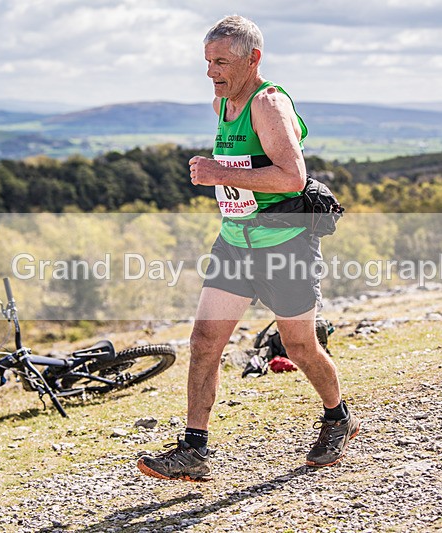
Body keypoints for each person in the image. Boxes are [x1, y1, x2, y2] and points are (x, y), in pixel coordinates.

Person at [136, 14, 359, 482]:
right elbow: (245, 165)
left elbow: (291, 177)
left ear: (252, 59)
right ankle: (195, 449)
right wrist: (222, 170)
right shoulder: (223, 102)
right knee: (204, 342)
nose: (211, 71)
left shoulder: (268, 104)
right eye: (207, 62)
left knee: (299, 345)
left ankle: (339, 417)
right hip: (235, 242)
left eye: (221, 61)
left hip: (285, 245)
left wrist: (219, 174)